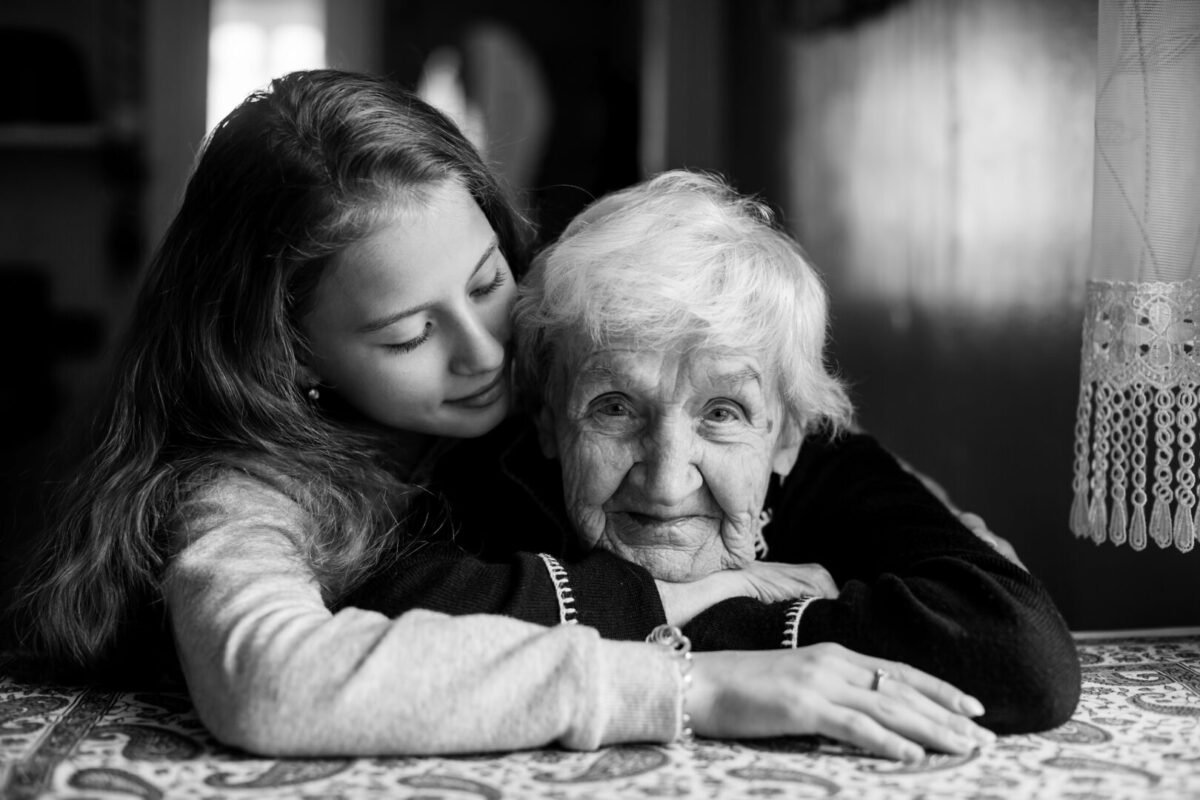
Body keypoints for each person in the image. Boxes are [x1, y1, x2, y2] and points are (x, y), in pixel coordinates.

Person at [9, 69, 998, 761]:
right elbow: (271, 680)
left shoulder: (545, 362)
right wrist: (697, 664)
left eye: (487, 279)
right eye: (406, 335)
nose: (486, 352)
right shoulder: (246, 486)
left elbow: (954, 568)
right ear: (291, 349)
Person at [354, 170, 1081, 736]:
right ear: (548, 417)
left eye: (723, 413)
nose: (668, 481)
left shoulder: (828, 464)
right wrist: (716, 601)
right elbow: (392, 610)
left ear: (789, 430)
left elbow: (1020, 656)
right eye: (614, 408)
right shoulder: (500, 463)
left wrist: (721, 634)